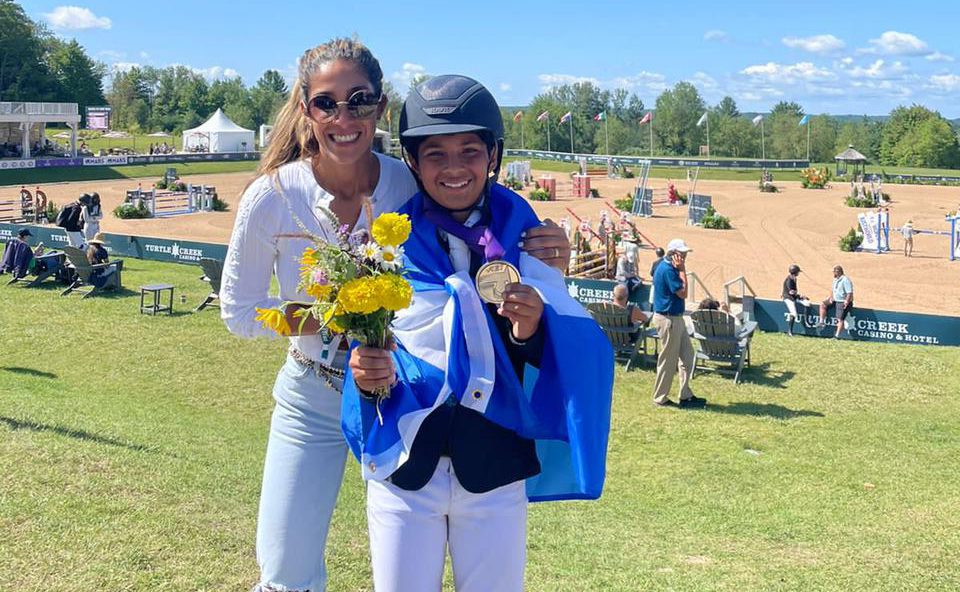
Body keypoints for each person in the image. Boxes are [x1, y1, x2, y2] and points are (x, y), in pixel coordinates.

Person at [220, 39, 571, 592]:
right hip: (314, 391)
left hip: (403, 396)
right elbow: (239, 312)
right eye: (326, 103)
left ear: (380, 109)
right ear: (306, 109)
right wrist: (338, 315)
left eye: (359, 101)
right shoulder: (271, 197)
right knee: (286, 569)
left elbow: (482, 227)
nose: (343, 117)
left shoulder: (408, 181)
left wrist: (547, 256)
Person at [345, 74, 612, 592]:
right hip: (405, 464)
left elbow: (553, 351)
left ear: (493, 155)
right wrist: (364, 370)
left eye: (469, 150)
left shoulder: (529, 235)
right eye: (435, 154)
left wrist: (531, 329)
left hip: (493, 465)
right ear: (413, 161)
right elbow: (372, 344)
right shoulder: (384, 244)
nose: (453, 168)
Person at [651, 238, 705, 409]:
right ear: (673, 254)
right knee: (668, 361)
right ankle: (660, 398)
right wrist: (683, 271)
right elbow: (683, 293)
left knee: (688, 357)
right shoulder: (668, 270)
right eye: (682, 254)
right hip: (669, 320)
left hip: (675, 318)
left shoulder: (668, 267)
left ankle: (685, 394)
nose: (684, 257)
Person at [818, 265, 854, 338]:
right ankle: (821, 322)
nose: (833, 273)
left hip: (842, 301)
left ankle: (837, 336)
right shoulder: (835, 279)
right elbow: (832, 290)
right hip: (835, 300)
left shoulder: (845, 280)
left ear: (838, 272)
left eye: (834, 272)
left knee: (840, 319)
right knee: (823, 305)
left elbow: (849, 292)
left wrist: (846, 301)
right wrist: (831, 297)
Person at [781, 264, 803, 336]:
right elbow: (791, 292)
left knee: (806, 303)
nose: (798, 273)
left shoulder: (793, 279)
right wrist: (798, 296)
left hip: (792, 297)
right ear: (795, 272)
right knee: (793, 313)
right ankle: (789, 331)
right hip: (788, 298)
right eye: (798, 272)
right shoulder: (789, 280)